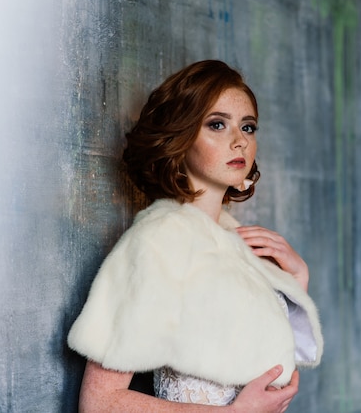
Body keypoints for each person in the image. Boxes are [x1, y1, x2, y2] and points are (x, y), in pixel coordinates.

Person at [67, 60, 323, 412]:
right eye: (217, 124)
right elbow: (99, 404)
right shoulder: (160, 241)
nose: (239, 142)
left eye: (248, 127)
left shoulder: (241, 246)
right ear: (181, 137)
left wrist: (296, 281)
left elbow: (265, 369)